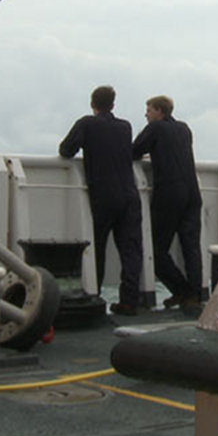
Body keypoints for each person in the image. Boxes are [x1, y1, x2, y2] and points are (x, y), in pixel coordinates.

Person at [59, 86, 143, 316]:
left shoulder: (87, 124)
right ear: (113, 104)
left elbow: (66, 150)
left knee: (98, 247)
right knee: (131, 250)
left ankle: (95, 296)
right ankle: (129, 301)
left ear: (92, 103)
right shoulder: (125, 127)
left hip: (104, 195)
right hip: (129, 194)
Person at [132, 95, 203, 311]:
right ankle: (195, 294)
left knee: (156, 246)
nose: (146, 114)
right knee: (190, 246)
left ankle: (181, 289)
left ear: (159, 111)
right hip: (192, 192)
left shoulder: (155, 129)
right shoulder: (184, 128)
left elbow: (134, 150)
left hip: (170, 194)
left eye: (149, 110)